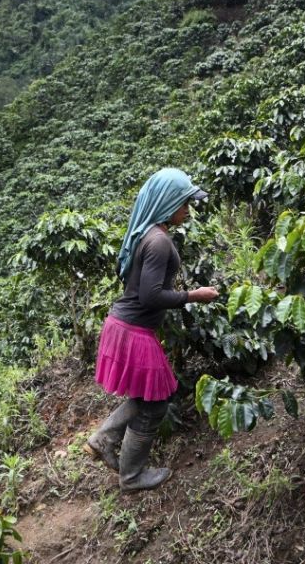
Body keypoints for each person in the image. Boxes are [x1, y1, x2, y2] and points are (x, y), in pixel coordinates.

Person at [83, 167, 220, 492]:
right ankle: (131, 476)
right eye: (184, 203)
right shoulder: (158, 241)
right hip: (133, 331)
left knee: (145, 396)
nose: (188, 210)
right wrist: (193, 296)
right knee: (156, 401)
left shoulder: (147, 233)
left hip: (124, 325)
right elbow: (150, 295)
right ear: (168, 202)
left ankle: (104, 439)